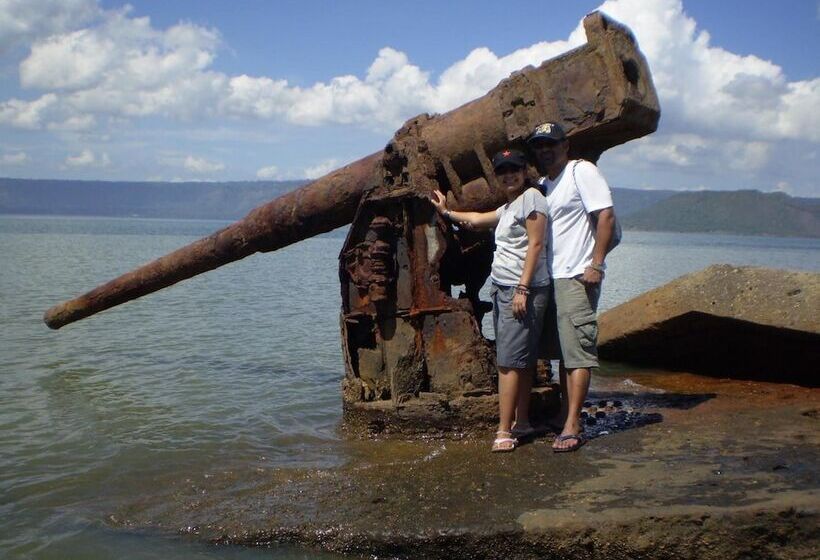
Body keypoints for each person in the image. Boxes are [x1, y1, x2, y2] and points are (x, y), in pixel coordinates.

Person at [430, 149, 549, 452]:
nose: (509, 175)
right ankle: (521, 422)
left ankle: (503, 431)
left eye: (514, 169)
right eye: (503, 171)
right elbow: (475, 220)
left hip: (521, 289)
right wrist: (446, 212)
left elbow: (536, 244)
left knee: (508, 363)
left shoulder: (532, 199)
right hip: (504, 288)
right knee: (519, 360)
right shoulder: (510, 207)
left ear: (525, 171)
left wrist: (522, 289)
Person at [527, 122, 617, 453]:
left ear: (566, 145)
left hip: (576, 275)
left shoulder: (583, 171)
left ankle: (573, 425)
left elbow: (605, 216)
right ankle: (566, 414)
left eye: (551, 143)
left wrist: (596, 264)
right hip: (550, 277)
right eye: (539, 146)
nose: (545, 150)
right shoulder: (544, 185)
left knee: (577, 352)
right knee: (565, 351)